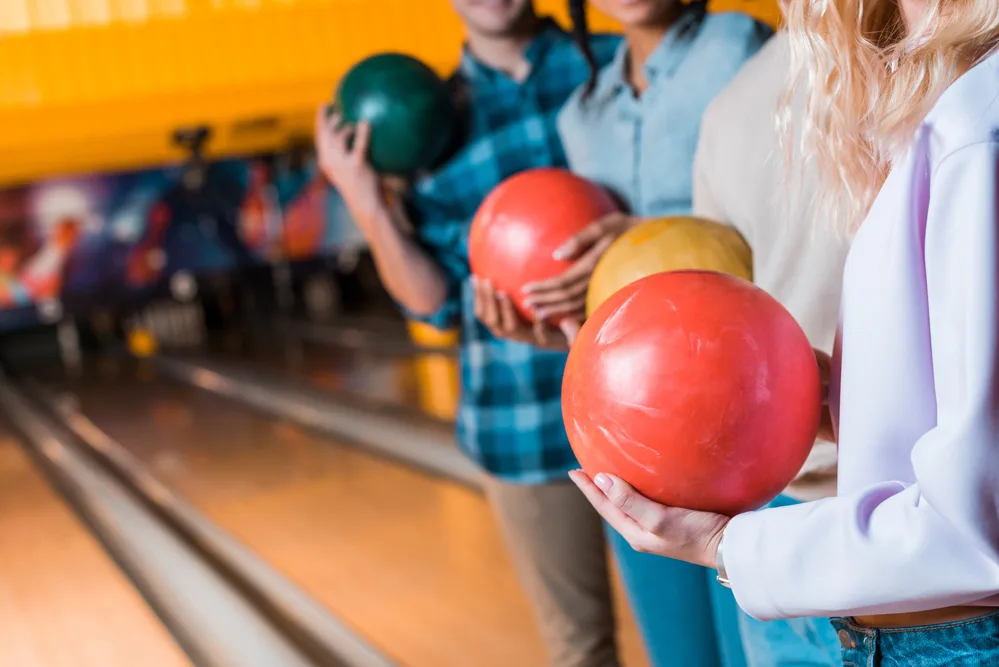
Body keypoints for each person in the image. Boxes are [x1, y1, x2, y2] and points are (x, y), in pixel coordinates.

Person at [568, 0, 999, 664]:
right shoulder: (936, 113)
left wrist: (722, 544)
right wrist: (833, 401)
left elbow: (978, 530)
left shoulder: (973, 130)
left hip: (954, 639)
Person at [314, 3, 621, 666]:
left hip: (648, 399)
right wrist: (363, 198)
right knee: (581, 650)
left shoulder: (610, 62)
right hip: (521, 422)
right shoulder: (420, 121)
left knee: (701, 644)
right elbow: (433, 305)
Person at [520, 1, 771, 666]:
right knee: (678, 652)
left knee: (752, 643)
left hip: (740, 402)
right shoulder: (582, 114)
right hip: (629, 419)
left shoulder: (742, 47)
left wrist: (647, 234)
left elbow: (782, 222)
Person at [691, 30, 848, 667]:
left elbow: (708, 324)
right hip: (884, 504)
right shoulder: (952, 66)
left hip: (782, 502)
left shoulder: (729, 103)